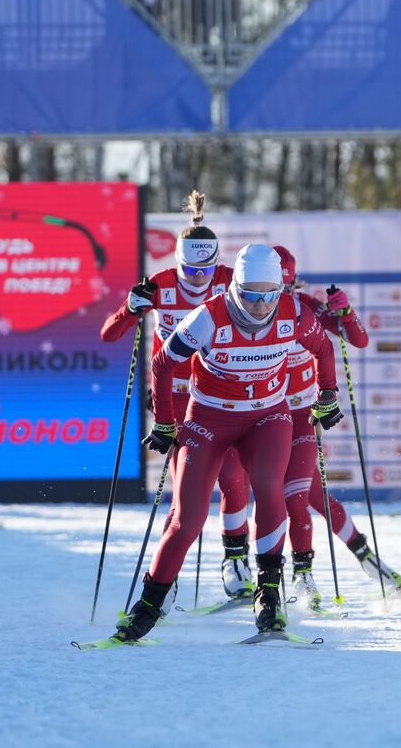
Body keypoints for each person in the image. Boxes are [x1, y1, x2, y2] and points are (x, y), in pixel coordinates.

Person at [114, 245, 344, 642]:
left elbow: (324, 348)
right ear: (235, 287)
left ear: (280, 291)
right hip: (209, 419)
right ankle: (148, 606)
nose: (259, 306)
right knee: (188, 519)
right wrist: (166, 423)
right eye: (250, 295)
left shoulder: (292, 313)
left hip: (267, 416)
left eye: (268, 295)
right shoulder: (209, 317)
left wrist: (327, 397)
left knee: (270, 489)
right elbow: (164, 364)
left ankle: (269, 596)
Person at [216, 247, 401, 608]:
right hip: (261, 417)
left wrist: (344, 312)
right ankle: (242, 565)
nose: (268, 304)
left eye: (282, 291)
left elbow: (359, 340)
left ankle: (305, 578)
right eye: (267, 292)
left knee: (297, 497)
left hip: (300, 414)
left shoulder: (304, 308)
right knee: (277, 491)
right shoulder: (241, 311)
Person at [99, 192, 231, 616]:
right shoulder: (159, 283)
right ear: (177, 263)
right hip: (174, 400)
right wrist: (129, 308)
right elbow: (108, 335)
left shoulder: (231, 279)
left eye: (206, 270)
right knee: (183, 497)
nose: (198, 279)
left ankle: (238, 564)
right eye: (190, 270)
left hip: (219, 396)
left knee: (234, 482)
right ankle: (162, 580)